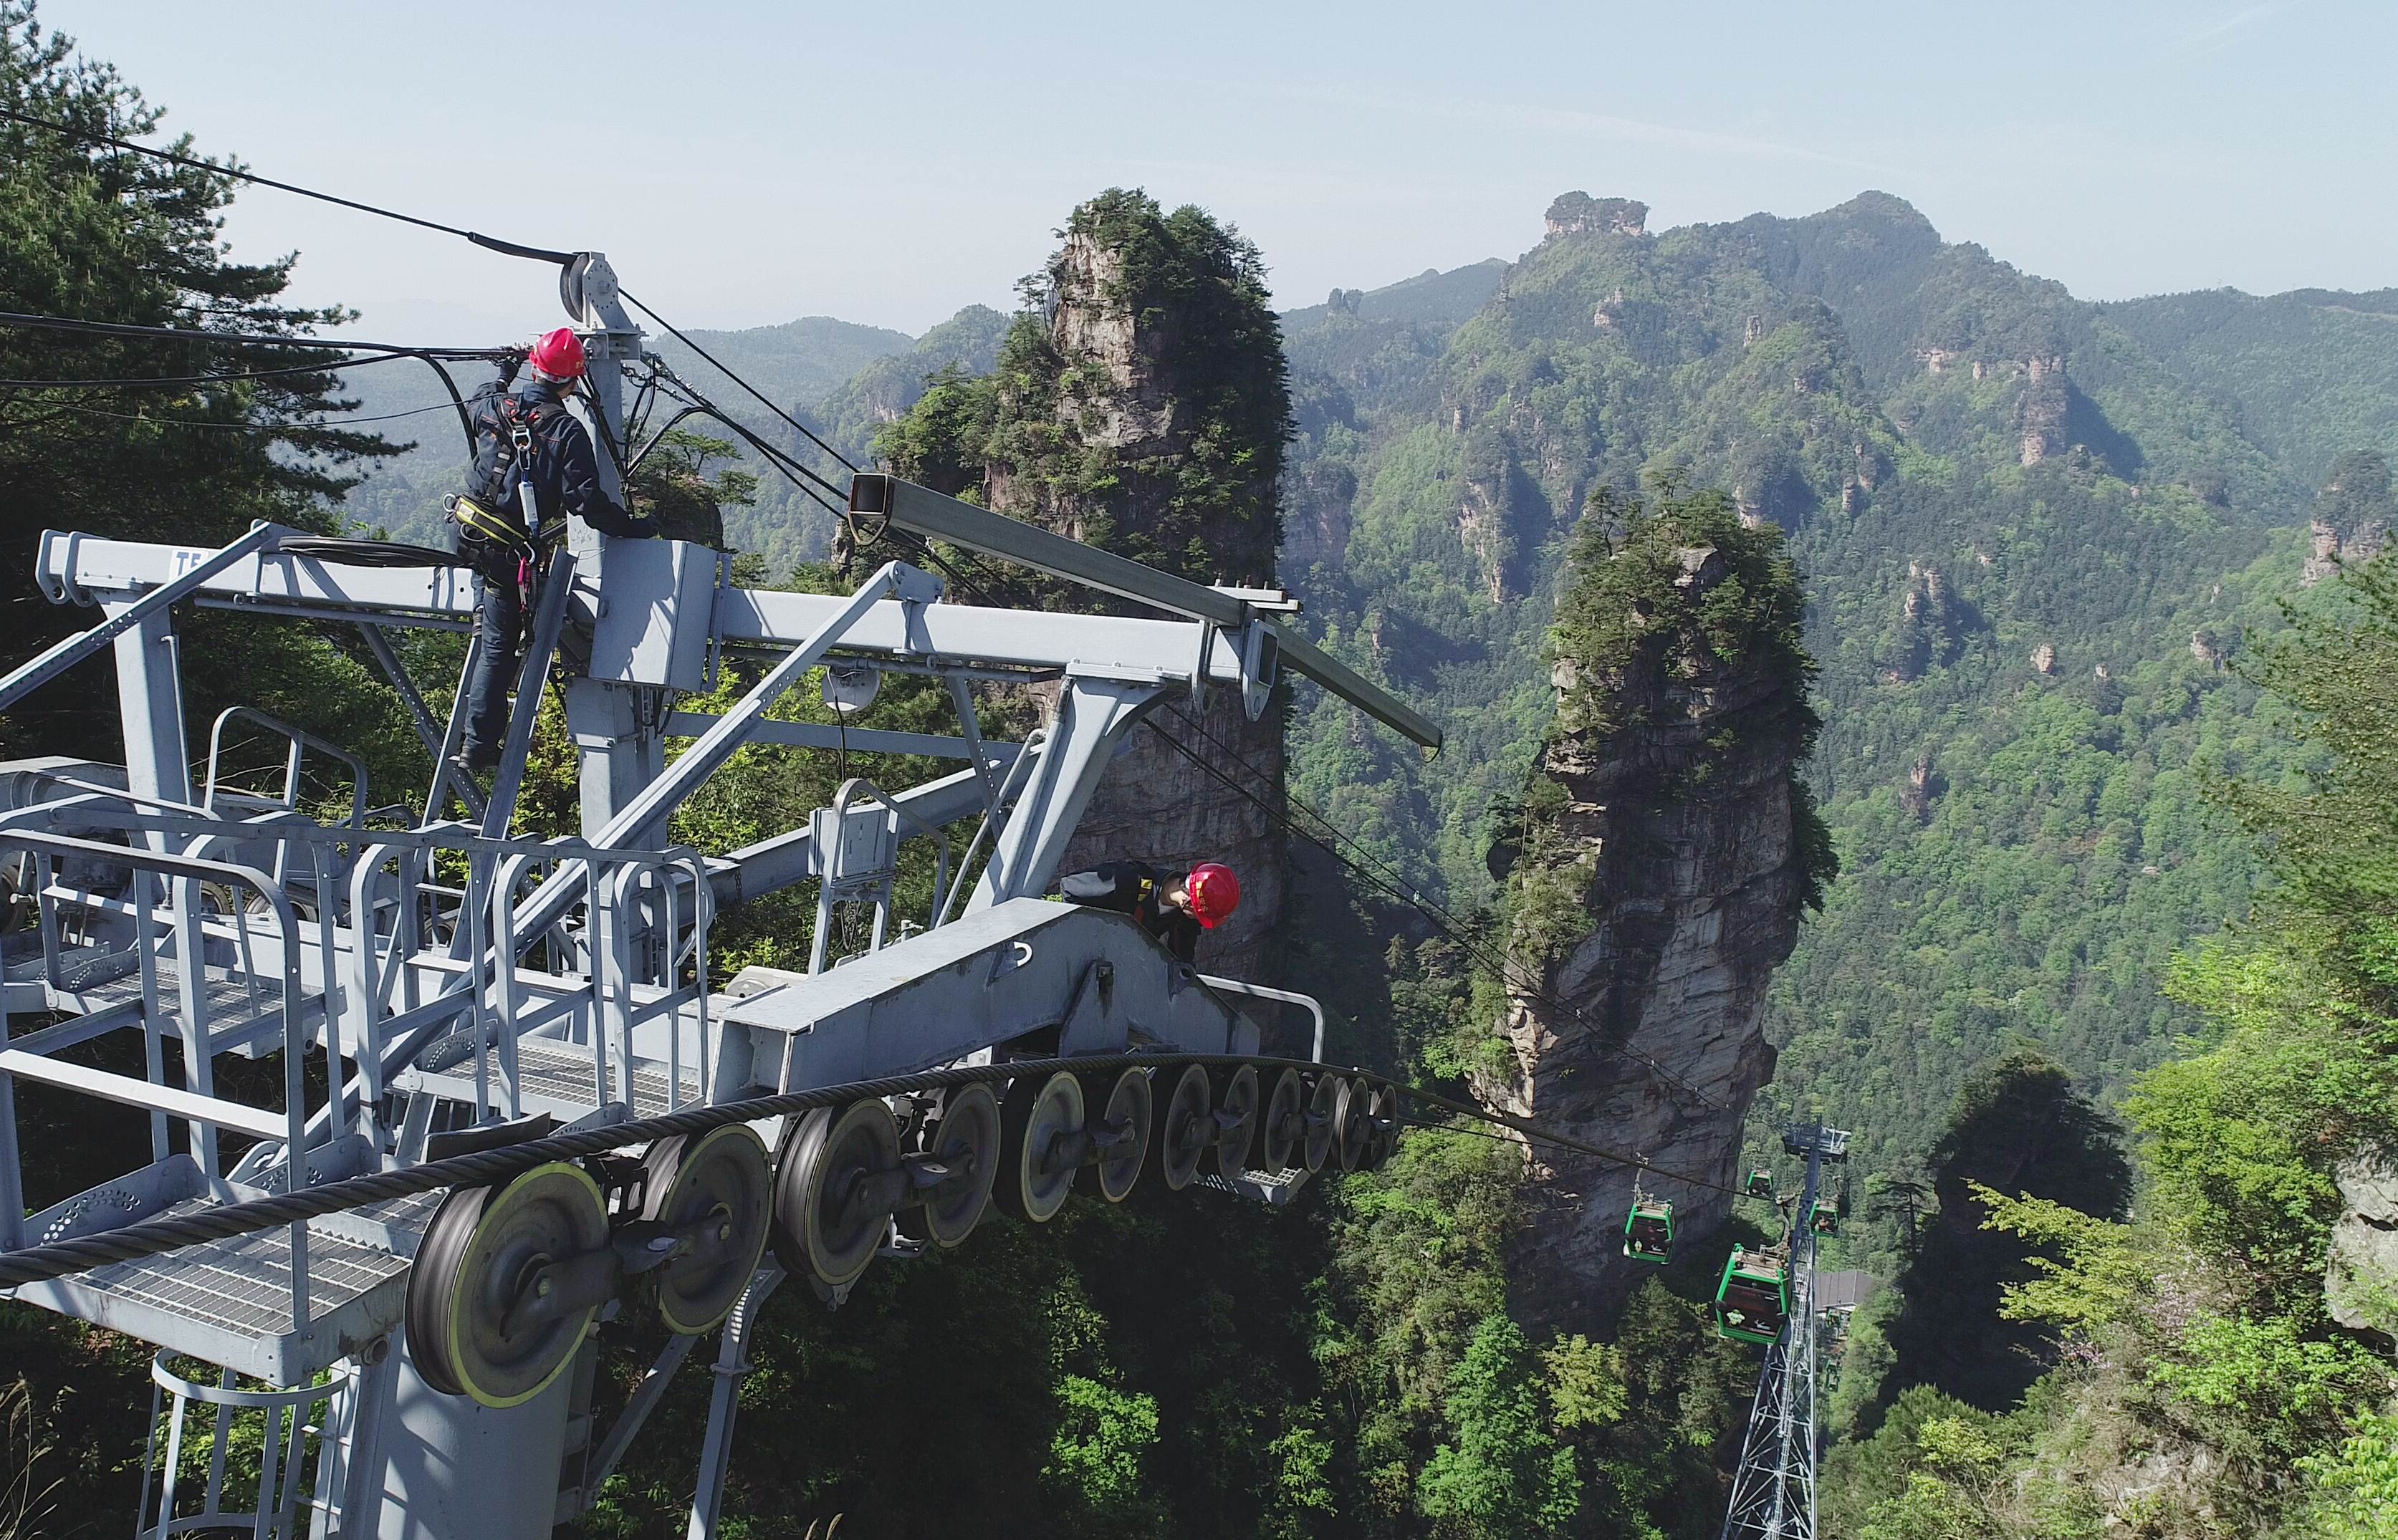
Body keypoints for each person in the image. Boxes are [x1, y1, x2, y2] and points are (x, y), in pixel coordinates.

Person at [447, 327, 652, 772]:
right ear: (574, 380)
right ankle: (478, 747)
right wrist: (633, 529)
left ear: (536, 367)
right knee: (499, 649)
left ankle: (487, 619)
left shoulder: (495, 406)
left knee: (493, 625)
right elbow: (586, 503)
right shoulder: (564, 429)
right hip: (505, 550)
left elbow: (483, 394)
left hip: (466, 531)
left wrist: (507, 368)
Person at [1054, 860, 1240, 962]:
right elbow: (1069, 889)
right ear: (1189, 901)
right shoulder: (1127, 880)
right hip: (1070, 949)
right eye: (1200, 914)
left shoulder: (1182, 917)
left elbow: (1182, 960)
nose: (1198, 919)